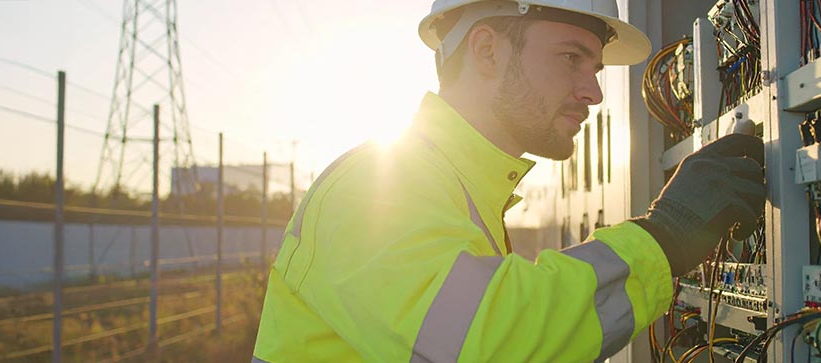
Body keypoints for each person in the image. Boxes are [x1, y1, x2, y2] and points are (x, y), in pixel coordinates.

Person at [251, 1, 765, 362]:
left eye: (595, 68)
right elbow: (488, 342)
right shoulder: (374, 185)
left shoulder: (452, 187)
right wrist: (665, 237)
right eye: (571, 58)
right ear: (487, 50)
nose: (594, 92)